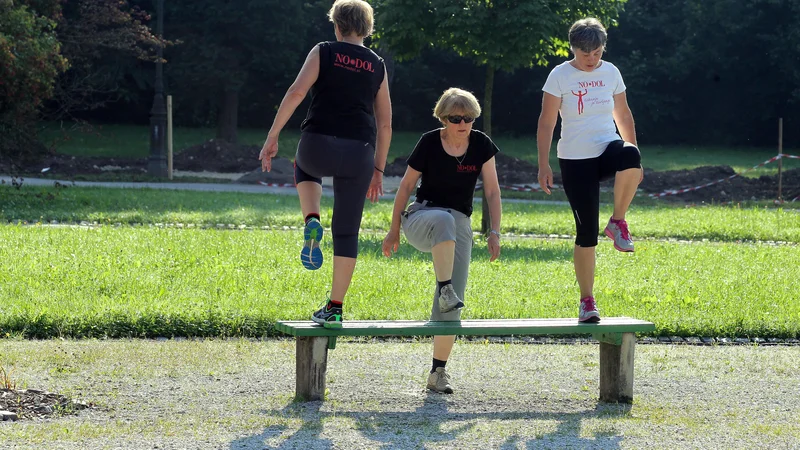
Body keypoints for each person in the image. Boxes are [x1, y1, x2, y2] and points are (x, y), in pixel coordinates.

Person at [259, 0, 392, 329]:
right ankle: (334, 307)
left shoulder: (324, 51)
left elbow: (296, 91)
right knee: (347, 232)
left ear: (336, 25)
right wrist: (378, 169)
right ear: (367, 28)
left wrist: (273, 136)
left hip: (318, 145)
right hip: (360, 152)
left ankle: (312, 218)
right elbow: (386, 123)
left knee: (304, 167)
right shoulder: (377, 64)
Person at [383, 88, 501, 394]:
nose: (463, 123)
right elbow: (406, 186)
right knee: (445, 220)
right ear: (443, 118)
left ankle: (438, 373)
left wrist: (494, 231)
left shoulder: (481, 144)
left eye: (469, 118)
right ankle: (444, 288)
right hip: (423, 218)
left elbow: (492, 191)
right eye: (455, 118)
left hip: (458, 224)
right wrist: (393, 229)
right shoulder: (429, 141)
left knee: (452, 305)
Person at [536, 18, 643, 323]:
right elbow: (547, 122)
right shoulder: (559, 75)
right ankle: (587, 302)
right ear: (573, 48)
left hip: (607, 146)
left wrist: (634, 160)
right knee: (586, 233)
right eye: (585, 54)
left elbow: (622, 112)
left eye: (596, 53)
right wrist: (544, 163)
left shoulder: (611, 72)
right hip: (575, 159)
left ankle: (618, 222)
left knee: (630, 154)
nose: (592, 59)